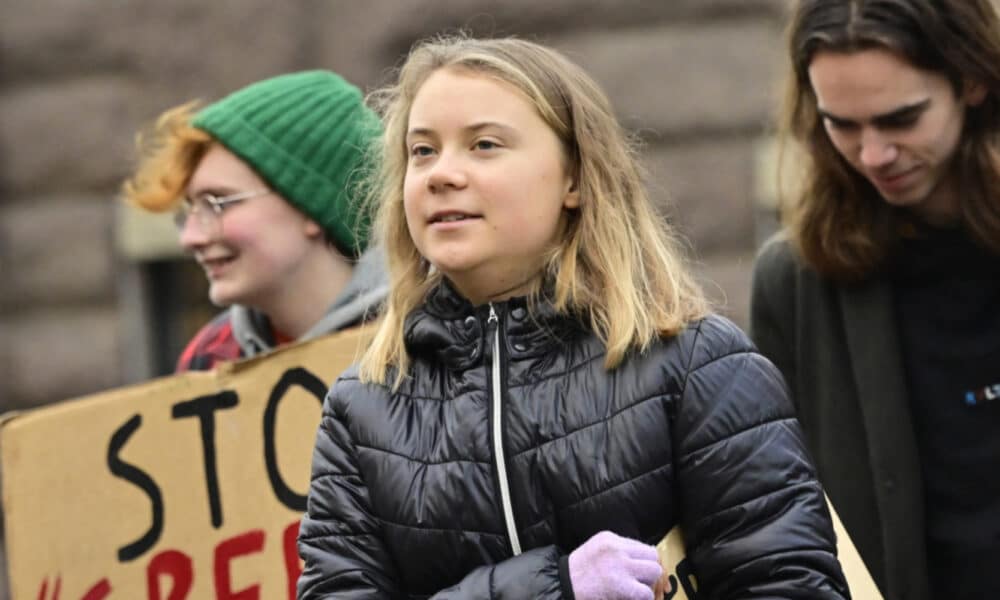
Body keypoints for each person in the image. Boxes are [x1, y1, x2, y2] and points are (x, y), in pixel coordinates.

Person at [296, 35, 849, 599]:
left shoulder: (699, 366)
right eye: (422, 151)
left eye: (484, 145)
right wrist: (552, 589)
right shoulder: (362, 407)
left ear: (576, 179)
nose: (441, 174)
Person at [750, 1, 1000, 598]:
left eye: (901, 119)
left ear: (972, 81)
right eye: (843, 124)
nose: (872, 155)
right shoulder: (796, 281)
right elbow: (778, 511)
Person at [122, 70, 388, 372]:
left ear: (307, 204)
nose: (190, 238)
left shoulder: (426, 343)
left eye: (217, 203)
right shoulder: (211, 357)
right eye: (191, 210)